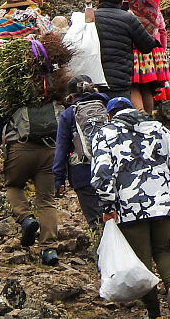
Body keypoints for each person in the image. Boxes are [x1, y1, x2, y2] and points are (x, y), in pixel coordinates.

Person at [90, 97, 170, 319]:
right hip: (162, 203)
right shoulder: (159, 129)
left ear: (110, 116)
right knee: (162, 249)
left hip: (129, 207)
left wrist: (107, 204)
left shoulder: (105, 133)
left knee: (142, 260)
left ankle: (154, 312)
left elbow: (102, 173)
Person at [0, 38, 66, 267]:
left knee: (13, 186)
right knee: (46, 200)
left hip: (20, 148)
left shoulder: (10, 85)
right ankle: (49, 250)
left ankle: (25, 217)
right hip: (51, 148)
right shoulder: (56, 84)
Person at [92, 0, 162, 99]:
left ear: (98, 0)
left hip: (93, 80)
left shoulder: (89, 17)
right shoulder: (128, 19)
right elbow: (146, 46)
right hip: (119, 83)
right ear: (121, 0)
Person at [53, 76, 109, 227]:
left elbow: (61, 149)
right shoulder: (107, 106)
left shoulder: (68, 114)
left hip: (83, 174)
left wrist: (59, 179)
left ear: (71, 97)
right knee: (115, 217)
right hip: (110, 171)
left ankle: (101, 249)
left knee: (96, 222)